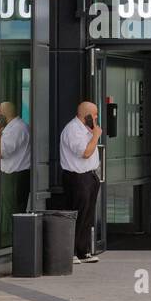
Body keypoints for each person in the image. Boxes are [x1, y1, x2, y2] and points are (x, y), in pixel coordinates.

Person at [59, 101, 102, 264]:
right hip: (77, 177)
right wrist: (96, 135)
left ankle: (83, 251)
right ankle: (71, 252)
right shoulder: (73, 130)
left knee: (88, 215)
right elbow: (85, 153)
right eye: (95, 113)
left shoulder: (87, 130)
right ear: (87, 115)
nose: (97, 117)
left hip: (89, 176)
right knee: (78, 213)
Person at [0, 102, 31, 246]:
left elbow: (1, 152)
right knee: (14, 209)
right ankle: (16, 241)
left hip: (15, 175)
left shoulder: (17, 129)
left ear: (4, 114)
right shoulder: (18, 126)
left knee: (13, 210)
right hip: (17, 174)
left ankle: (17, 242)